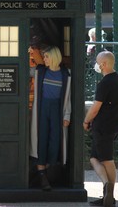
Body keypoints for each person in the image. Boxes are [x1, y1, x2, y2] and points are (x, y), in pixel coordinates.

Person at [83, 51, 118, 207]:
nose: (96, 65)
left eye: (98, 62)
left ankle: (108, 187)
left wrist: (86, 120)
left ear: (104, 64)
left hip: (102, 126)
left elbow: (95, 107)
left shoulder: (105, 83)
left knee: (105, 159)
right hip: (114, 125)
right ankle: (109, 194)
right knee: (99, 158)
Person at [29, 46, 71, 191]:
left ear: (53, 57)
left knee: (55, 141)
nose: (44, 59)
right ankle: (42, 175)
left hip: (57, 110)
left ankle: (46, 171)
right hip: (42, 109)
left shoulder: (66, 74)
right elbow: (21, 69)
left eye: (47, 57)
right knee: (41, 139)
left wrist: (67, 115)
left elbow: (68, 97)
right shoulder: (40, 71)